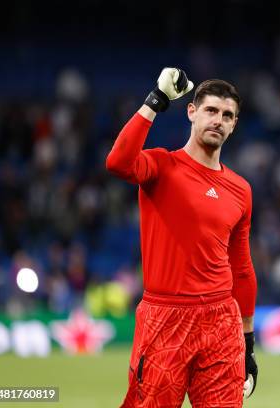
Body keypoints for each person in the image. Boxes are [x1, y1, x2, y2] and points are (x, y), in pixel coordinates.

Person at [106, 67, 258, 407]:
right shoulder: (161, 166)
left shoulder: (241, 190)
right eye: (211, 110)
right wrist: (155, 101)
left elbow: (242, 268)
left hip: (221, 320)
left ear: (234, 125)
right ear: (191, 112)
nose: (218, 120)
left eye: (227, 115)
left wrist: (248, 344)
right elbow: (117, 162)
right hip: (165, 318)